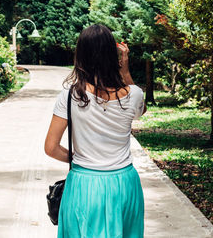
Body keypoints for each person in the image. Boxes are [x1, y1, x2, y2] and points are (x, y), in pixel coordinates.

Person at [44, 24, 146, 238]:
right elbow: (141, 111)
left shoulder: (70, 96)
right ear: (112, 55)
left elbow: (51, 148)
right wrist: (125, 71)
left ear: (80, 55)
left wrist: (80, 159)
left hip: (85, 185)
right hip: (125, 186)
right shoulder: (134, 94)